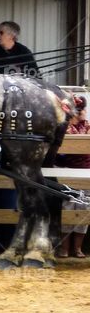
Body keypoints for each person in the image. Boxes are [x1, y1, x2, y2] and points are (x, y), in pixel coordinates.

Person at [56, 95, 90, 258]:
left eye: (81, 110)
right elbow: (68, 152)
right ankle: (64, 248)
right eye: (76, 110)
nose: (78, 113)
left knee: (83, 209)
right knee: (67, 208)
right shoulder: (63, 127)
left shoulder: (88, 126)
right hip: (66, 172)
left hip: (84, 174)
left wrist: (82, 122)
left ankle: (77, 248)